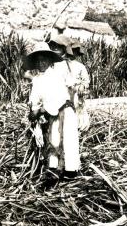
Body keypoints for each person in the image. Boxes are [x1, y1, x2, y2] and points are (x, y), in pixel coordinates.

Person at [25, 42, 80, 178]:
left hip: (63, 111)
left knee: (67, 140)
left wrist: (41, 110)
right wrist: (34, 109)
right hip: (51, 113)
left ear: (49, 61)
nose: (41, 63)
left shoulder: (55, 76)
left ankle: (70, 171)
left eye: (44, 59)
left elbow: (58, 98)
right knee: (53, 140)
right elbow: (34, 99)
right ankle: (53, 169)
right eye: (38, 60)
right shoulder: (37, 79)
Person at [68, 39, 91, 131]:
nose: (74, 53)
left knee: (79, 109)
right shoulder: (63, 64)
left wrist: (82, 86)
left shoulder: (80, 66)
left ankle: (80, 127)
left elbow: (86, 80)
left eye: (76, 51)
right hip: (67, 90)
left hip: (77, 91)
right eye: (72, 51)